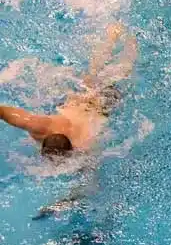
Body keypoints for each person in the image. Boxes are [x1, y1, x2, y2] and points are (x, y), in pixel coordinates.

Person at [0, 23, 136, 156]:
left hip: (99, 106)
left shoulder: (84, 145)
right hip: (79, 101)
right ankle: (114, 35)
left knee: (120, 75)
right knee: (93, 76)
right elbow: (4, 112)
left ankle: (130, 43)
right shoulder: (40, 126)